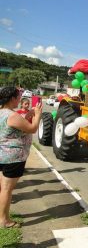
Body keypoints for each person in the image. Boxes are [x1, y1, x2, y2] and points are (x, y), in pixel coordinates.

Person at [0, 86, 42, 228]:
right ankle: (4, 220)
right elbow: (32, 128)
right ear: (12, 98)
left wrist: (28, 114)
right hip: (13, 158)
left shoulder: (2, 112)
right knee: (6, 189)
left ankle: (2, 215)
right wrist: (37, 115)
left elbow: (14, 125)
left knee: (3, 188)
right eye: (18, 96)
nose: (20, 99)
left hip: (2, 155)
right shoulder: (12, 116)